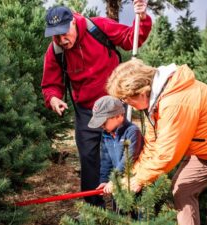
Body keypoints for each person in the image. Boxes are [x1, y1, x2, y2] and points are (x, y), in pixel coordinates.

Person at [106, 58, 207, 225]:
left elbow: (166, 154)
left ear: (141, 92)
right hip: (204, 149)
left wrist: (139, 179)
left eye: (126, 100)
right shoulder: (155, 102)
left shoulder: (175, 101)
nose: (129, 106)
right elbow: (152, 145)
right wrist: (132, 176)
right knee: (182, 191)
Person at [41, 0, 152, 206]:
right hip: (86, 112)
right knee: (89, 162)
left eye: (65, 33)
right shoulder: (55, 51)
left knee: (123, 157)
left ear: (74, 22)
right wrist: (53, 98)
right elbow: (50, 84)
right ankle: (94, 210)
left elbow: (130, 39)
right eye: (56, 35)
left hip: (115, 107)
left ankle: (127, 206)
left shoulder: (98, 27)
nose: (62, 40)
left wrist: (142, 19)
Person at [88, 96, 143, 194]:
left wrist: (113, 179)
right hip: (116, 182)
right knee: (118, 208)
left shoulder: (132, 132)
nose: (101, 126)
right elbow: (106, 159)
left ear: (118, 116)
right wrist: (104, 180)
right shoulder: (106, 134)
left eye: (104, 122)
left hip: (134, 182)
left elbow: (128, 159)